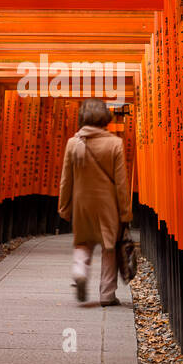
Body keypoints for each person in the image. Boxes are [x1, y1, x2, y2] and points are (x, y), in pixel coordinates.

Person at [57, 98, 132, 306]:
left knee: (83, 242)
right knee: (109, 247)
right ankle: (107, 294)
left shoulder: (73, 143)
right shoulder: (114, 143)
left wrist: (64, 207)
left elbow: (66, 179)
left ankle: (80, 271)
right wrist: (125, 212)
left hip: (82, 204)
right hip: (108, 205)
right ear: (104, 118)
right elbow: (121, 183)